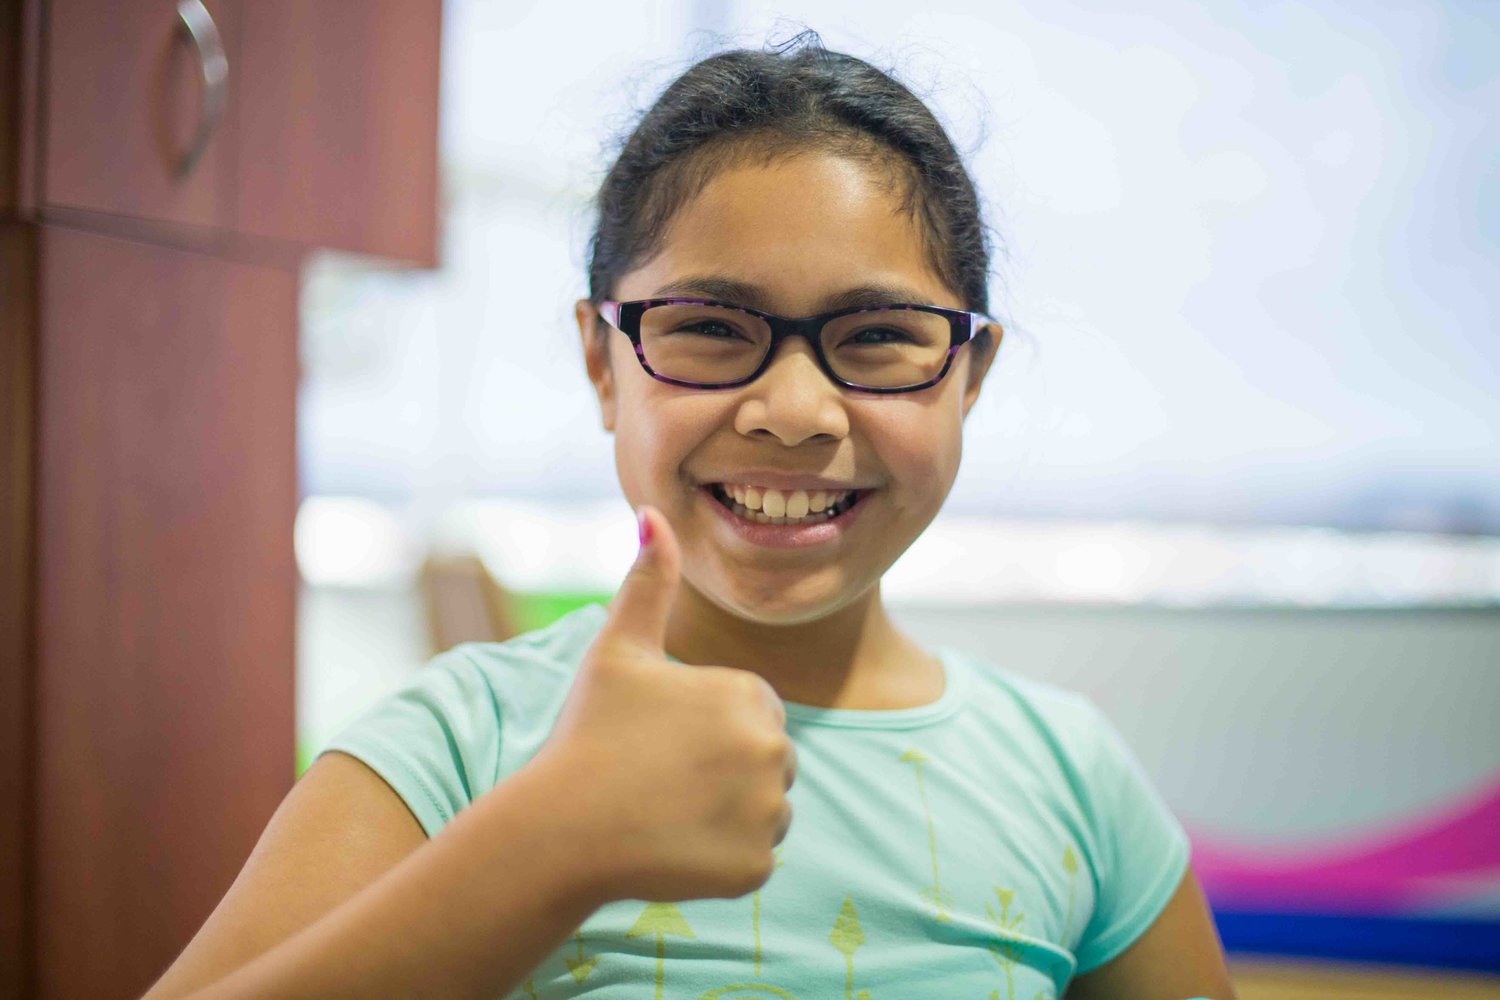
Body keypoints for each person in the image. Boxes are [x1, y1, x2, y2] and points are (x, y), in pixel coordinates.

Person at [142, 34, 1236, 1000]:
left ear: (970, 373)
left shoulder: (1068, 774)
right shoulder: (460, 746)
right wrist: (546, 845)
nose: (797, 413)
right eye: (710, 326)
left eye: (879, 335)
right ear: (599, 363)